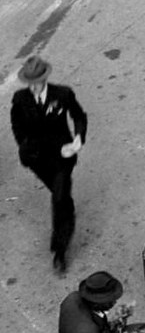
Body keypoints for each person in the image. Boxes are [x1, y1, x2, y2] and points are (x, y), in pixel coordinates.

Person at [11, 56, 88, 274]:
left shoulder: (62, 95)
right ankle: (67, 209)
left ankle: (60, 250)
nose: (33, 88)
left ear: (44, 79)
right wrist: (26, 146)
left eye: (37, 83)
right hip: (37, 159)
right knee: (59, 193)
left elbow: (79, 116)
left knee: (59, 197)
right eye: (30, 84)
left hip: (62, 156)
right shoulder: (20, 100)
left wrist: (78, 139)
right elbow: (17, 128)